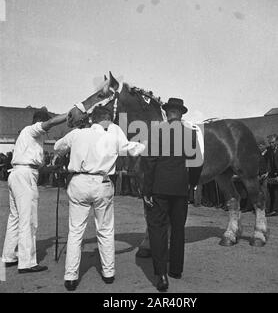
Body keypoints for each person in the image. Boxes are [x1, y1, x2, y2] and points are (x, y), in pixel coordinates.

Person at [54, 105, 145, 291]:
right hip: (102, 183)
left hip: (79, 182)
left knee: (76, 230)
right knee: (105, 229)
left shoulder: (77, 134)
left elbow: (57, 147)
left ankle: (71, 277)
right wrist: (145, 142)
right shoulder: (114, 133)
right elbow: (132, 150)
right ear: (108, 119)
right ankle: (108, 273)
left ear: (92, 119)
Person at [142, 97, 201, 292]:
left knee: (158, 229)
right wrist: (191, 183)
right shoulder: (190, 134)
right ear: (181, 114)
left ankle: (161, 275)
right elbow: (196, 163)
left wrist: (147, 190)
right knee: (178, 229)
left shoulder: (157, 130)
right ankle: (176, 269)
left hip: (159, 188)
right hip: (180, 189)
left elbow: (150, 162)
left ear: (167, 113)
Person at [1, 110, 67, 273]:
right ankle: (27, 263)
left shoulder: (31, 138)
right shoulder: (31, 130)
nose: (47, 129)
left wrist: (53, 168)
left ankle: (8, 256)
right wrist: (69, 114)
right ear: (39, 122)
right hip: (24, 177)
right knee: (29, 220)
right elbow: (50, 123)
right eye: (45, 124)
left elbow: (36, 165)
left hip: (18, 174)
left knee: (15, 218)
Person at [266, 134, 278, 216]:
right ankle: (271, 209)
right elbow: (269, 162)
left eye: (272, 142)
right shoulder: (269, 149)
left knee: (277, 191)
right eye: (270, 143)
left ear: (277, 141)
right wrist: (267, 172)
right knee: (271, 190)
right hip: (272, 173)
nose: (271, 144)